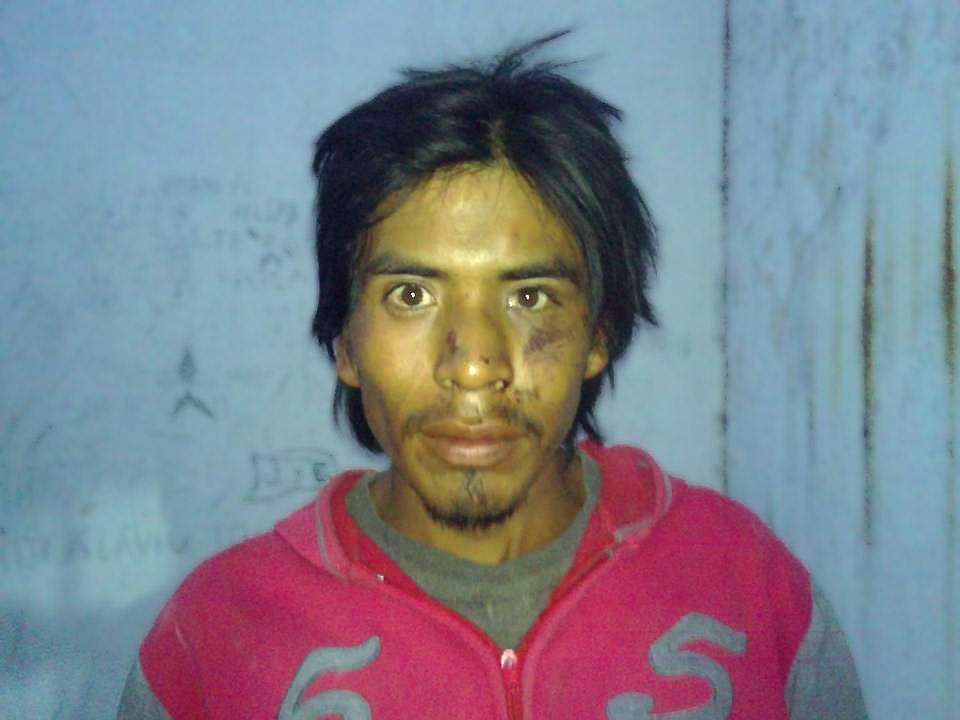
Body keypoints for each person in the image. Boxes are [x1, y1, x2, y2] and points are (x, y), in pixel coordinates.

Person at [118, 32, 868, 719]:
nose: (474, 364)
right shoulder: (215, 636)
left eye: (529, 297)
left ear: (597, 336)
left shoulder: (748, 585)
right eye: (411, 296)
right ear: (345, 343)